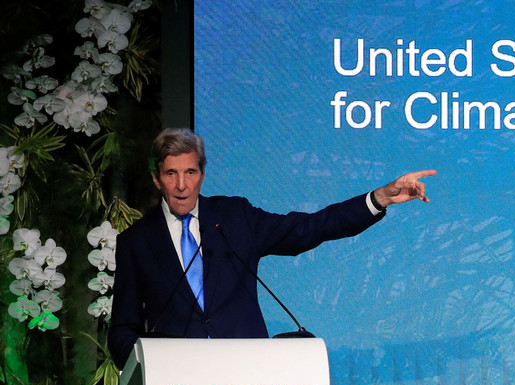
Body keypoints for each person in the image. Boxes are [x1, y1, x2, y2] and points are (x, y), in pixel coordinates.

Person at [107, 128, 436, 366]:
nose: (181, 185)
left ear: (202, 175)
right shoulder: (136, 241)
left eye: (190, 172)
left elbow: (310, 228)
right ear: (156, 178)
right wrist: (149, 367)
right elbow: (123, 331)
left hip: (249, 382)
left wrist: (379, 198)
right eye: (171, 174)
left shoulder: (234, 218)